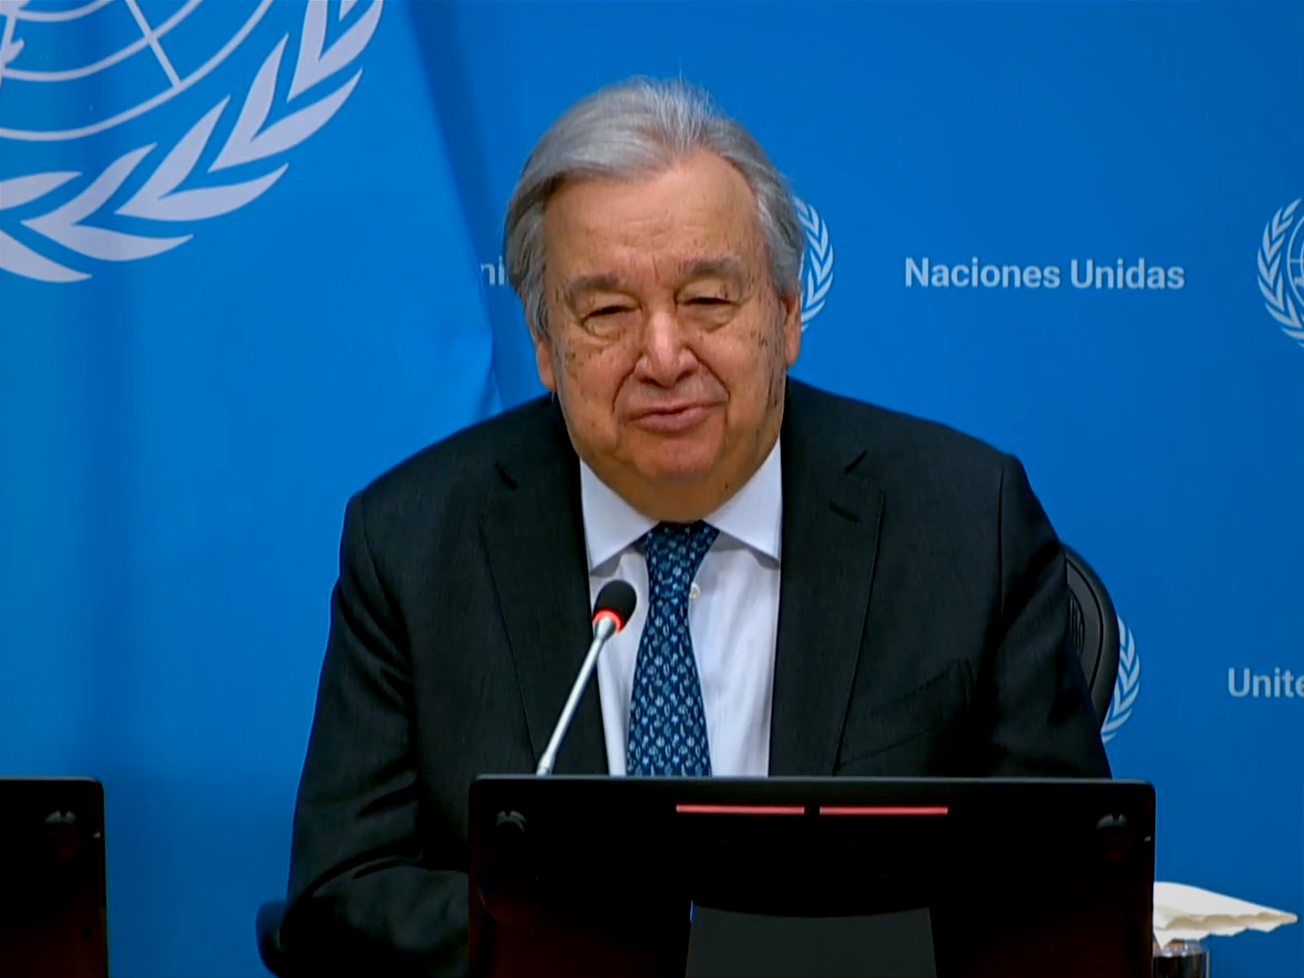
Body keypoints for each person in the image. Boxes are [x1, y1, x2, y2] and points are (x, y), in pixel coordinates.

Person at [281, 77, 1109, 974]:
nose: (665, 356)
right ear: (546, 348)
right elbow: (342, 895)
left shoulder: (964, 522)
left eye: (709, 300)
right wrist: (644, 949)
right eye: (607, 313)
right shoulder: (413, 542)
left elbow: (1062, 891)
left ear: (787, 316)